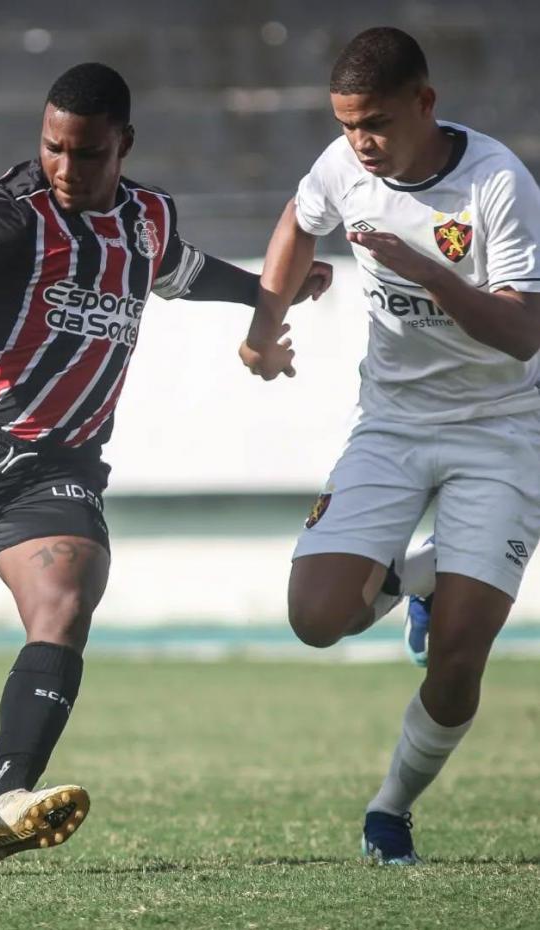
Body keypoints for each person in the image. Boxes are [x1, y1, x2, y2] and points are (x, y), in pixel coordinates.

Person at [0, 62, 331, 864]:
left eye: (84, 153)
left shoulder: (148, 218)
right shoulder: (10, 216)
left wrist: (271, 292)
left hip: (63, 461)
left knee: (64, 605)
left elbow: (181, 274)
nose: (64, 167)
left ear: (123, 144)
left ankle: (4, 800)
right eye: (52, 147)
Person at [240, 26, 540, 865]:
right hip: (392, 427)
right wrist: (266, 329)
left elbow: (523, 333)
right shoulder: (345, 168)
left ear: (425, 103)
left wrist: (428, 271)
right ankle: (425, 577)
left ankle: (390, 811)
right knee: (317, 619)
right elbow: (298, 223)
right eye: (346, 125)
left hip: (503, 431)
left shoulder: (498, 184)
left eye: (373, 122)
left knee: (457, 661)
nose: (360, 143)